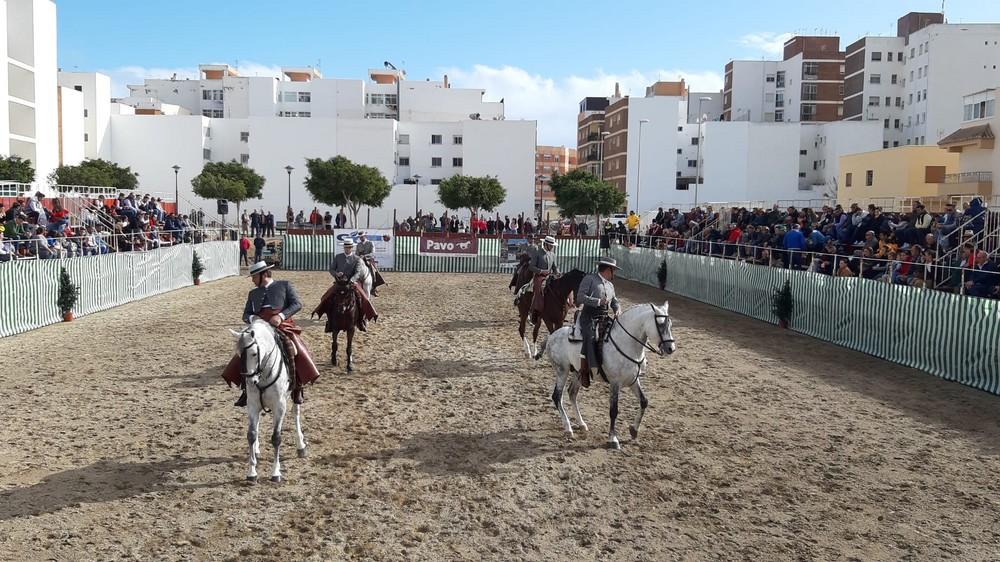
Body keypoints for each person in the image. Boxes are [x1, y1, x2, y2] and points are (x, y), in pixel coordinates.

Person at [222, 261, 320, 406]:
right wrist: (252, 318)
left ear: (264, 274)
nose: (252, 280)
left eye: (254, 277)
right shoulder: (252, 293)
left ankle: (297, 386)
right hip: (259, 327)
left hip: (281, 324)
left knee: (293, 347)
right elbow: (246, 314)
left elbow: (297, 304)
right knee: (245, 349)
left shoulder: (285, 285)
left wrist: (280, 316)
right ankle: (245, 390)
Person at [575, 256, 622, 388]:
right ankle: (585, 371)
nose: (615, 273)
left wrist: (617, 309)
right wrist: (597, 301)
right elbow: (580, 297)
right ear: (608, 269)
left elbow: (614, 301)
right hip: (588, 317)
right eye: (614, 270)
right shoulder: (589, 279)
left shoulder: (610, 285)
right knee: (590, 337)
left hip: (604, 317)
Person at [326, 239, 378, 330]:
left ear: (351, 248)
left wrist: (352, 280)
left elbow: (357, 272)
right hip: (339, 283)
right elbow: (331, 269)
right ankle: (329, 321)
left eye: (349, 247)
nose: (347, 249)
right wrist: (336, 274)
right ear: (344, 247)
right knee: (326, 297)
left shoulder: (357, 259)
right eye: (345, 247)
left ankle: (362, 320)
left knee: (364, 299)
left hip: (352, 283)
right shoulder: (338, 257)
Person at [527, 235, 559, 326]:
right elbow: (531, 267)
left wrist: (557, 272)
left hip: (550, 277)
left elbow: (555, 267)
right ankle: (533, 312)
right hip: (539, 277)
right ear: (546, 244)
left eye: (553, 246)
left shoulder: (552, 254)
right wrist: (541, 271)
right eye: (551, 245)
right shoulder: (537, 252)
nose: (552, 247)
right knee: (539, 292)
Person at [355, 232, 385, 296]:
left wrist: (365, 256)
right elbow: (356, 254)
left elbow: (372, 253)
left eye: (362, 236)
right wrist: (358, 257)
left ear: (365, 236)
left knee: (373, 271)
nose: (361, 238)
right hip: (360, 260)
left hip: (369, 260)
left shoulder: (370, 243)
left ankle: (374, 287)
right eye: (360, 237)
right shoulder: (358, 245)